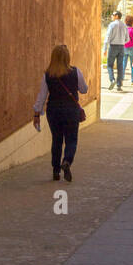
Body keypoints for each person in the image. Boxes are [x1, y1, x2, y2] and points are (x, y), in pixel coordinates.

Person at [33, 44, 88, 180]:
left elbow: (42, 96)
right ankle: (67, 161)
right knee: (71, 139)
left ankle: (55, 170)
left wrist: (36, 114)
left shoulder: (48, 75)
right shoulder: (75, 72)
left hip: (54, 110)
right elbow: (84, 89)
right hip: (71, 110)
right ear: (67, 57)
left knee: (56, 140)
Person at [104, 10, 128, 89]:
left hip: (113, 46)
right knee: (120, 66)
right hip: (121, 47)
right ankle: (119, 85)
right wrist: (122, 42)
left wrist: (105, 49)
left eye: (113, 15)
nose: (112, 16)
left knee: (110, 65)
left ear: (117, 16)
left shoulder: (112, 25)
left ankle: (112, 80)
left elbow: (108, 37)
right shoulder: (124, 25)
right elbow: (127, 39)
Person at [124, 15, 133, 85]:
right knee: (132, 65)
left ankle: (121, 79)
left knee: (123, 64)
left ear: (125, 21)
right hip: (132, 48)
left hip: (124, 48)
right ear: (132, 22)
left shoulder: (123, 29)